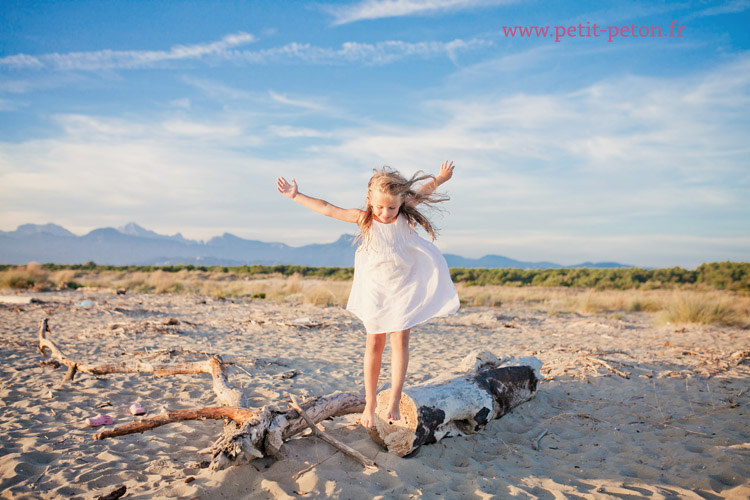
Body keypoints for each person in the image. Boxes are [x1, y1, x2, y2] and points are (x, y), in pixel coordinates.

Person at [276, 161, 459, 428]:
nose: (385, 213)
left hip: (403, 288)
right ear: (369, 201)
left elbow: (425, 189)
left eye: (392, 207)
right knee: (374, 345)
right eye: (380, 207)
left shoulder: (405, 215)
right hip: (375, 290)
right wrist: (296, 195)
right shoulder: (365, 218)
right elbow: (328, 209)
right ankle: (370, 402)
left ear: (401, 203)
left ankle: (394, 399)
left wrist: (441, 178)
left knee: (400, 341)